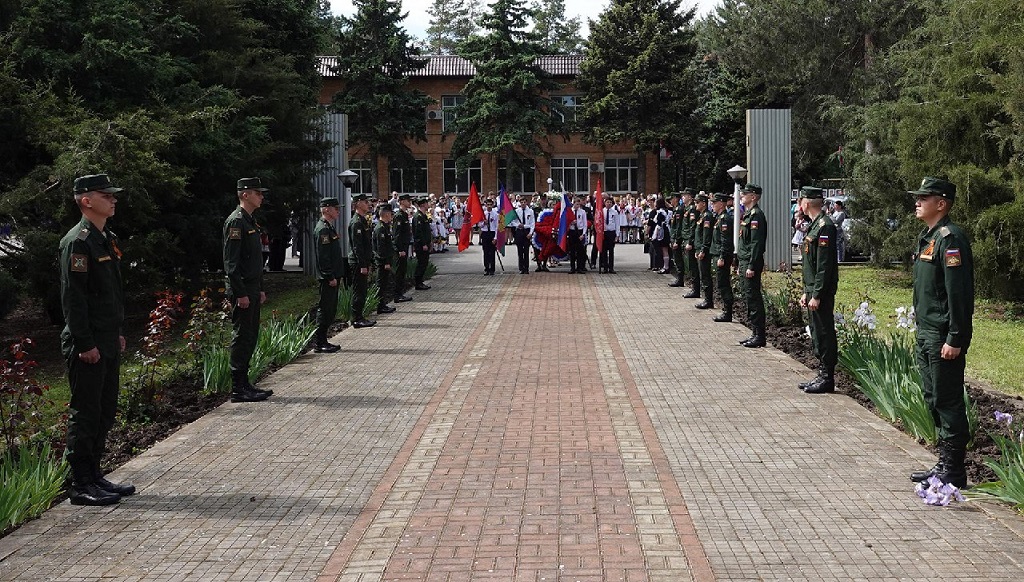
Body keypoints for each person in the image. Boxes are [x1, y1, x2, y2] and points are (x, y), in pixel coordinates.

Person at [59, 173, 134, 506]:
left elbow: (109, 294)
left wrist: (115, 333)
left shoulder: (105, 238)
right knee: (86, 412)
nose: (113, 199)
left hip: (105, 338)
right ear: (86, 201)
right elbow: (73, 299)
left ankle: (94, 474)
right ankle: (79, 483)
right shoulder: (78, 242)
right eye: (106, 195)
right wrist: (85, 343)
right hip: (87, 344)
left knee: (104, 410)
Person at [907, 177, 974, 489]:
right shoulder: (928, 237)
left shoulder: (951, 239)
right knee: (933, 397)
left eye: (924, 197)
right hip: (927, 333)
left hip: (942, 335)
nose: (917, 202)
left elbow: (958, 294)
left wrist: (955, 337)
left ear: (942, 203)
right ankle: (944, 463)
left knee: (947, 400)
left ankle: (954, 471)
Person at [223, 177, 273, 402]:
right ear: (245, 194)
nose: (261, 196)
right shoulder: (236, 222)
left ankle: (245, 384)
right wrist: (240, 293)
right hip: (243, 289)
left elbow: (255, 261)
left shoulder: (250, 221)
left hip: (252, 286)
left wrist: (259, 288)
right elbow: (231, 264)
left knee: (250, 335)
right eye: (257, 192)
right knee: (242, 336)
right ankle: (237, 389)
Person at [796, 187, 839, 394]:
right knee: (816, 331)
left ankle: (827, 377)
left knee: (823, 332)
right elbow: (811, 266)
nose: (799, 205)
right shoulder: (815, 226)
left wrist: (817, 294)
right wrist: (807, 291)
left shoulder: (825, 226)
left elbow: (824, 266)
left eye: (801, 200)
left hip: (820, 292)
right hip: (813, 289)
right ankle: (821, 373)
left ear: (807, 202)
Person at [737, 183, 768, 348]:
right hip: (744, 262)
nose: (742, 196)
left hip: (750, 263)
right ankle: (754, 333)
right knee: (749, 298)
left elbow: (756, 245)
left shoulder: (756, 216)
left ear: (753, 197)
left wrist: (751, 265)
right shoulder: (749, 215)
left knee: (754, 299)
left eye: (745, 194)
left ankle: (759, 336)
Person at [312, 198, 344, 353]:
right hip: (328, 278)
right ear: (325, 209)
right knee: (325, 309)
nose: (338, 210)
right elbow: (323, 257)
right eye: (335, 208)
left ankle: (323, 340)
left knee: (330, 309)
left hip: (333, 275)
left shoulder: (328, 227)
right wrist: (329, 276)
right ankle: (320, 342)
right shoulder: (323, 229)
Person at [348, 193, 376, 328]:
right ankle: (356, 318)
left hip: (363, 261)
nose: (368, 204)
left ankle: (359, 316)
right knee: (359, 290)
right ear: (358, 203)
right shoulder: (356, 222)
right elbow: (357, 246)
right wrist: (362, 264)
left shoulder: (362, 220)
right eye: (365, 202)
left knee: (363, 290)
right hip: (358, 262)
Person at [709, 192, 735, 322]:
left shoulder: (725, 219)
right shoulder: (719, 217)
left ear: (721, 204)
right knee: (721, 283)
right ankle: (726, 310)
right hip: (718, 254)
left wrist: (722, 257)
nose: (712, 205)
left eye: (714, 203)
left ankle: (728, 312)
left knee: (724, 284)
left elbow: (726, 240)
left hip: (722, 256)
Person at [374, 204, 398, 315]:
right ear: (386, 214)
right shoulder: (380, 228)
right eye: (390, 214)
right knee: (381, 284)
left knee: (384, 284)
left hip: (385, 261)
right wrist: (386, 262)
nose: (391, 217)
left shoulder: (384, 227)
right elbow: (381, 248)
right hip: (382, 262)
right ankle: (380, 306)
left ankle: (382, 304)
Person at [693, 193, 716, 309]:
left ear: (703, 203)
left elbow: (706, 236)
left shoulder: (707, 216)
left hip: (704, 251)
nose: (695, 204)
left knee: (705, 275)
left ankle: (708, 300)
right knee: (702, 275)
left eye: (697, 202)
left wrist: (703, 250)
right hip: (699, 249)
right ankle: (706, 298)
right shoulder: (702, 215)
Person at [391, 194, 414, 302]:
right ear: (401, 201)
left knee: (402, 271)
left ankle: (400, 293)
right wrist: (399, 249)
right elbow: (397, 234)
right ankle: (397, 295)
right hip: (401, 249)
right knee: (399, 272)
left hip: (404, 247)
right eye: (408, 200)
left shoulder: (404, 214)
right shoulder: (399, 215)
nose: (410, 202)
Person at [507, 195, 536, 274]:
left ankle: (526, 268)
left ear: (527, 202)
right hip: (519, 232)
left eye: (524, 202)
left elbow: (532, 223)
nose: (523, 204)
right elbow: (512, 222)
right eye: (521, 202)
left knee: (526, 251)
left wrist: (530, 233)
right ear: (519, 203)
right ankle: (521, 268)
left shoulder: (530, 211)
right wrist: (517, 225)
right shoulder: (517, 211)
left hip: (526, 231)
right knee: (520, 251)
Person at [681, 189, 701, 295]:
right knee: (690, 266)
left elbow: (692, 227)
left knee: (693, 267)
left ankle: (695, 290)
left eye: (685, 195)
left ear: (690, 197)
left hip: (691, 242)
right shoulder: (687, 208)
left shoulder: (692, 209)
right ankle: (694, 288)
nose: (683, 197)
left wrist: (689, 241)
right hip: (686, 240)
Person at [412, 197, 432, 290]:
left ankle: (420, 282)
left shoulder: (424, 216)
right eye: (427, 203)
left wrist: (429, 242)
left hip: (426, 244)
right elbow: (418, 232)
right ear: (423, 204)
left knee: (424, 263)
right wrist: (423, 244)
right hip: (421, 245)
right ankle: (418, 283)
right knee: (421, 263)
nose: (428, 205)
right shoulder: (418, 216)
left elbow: (427, 231)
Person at [668, 192, 686, 287]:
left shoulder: (679, 209)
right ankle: (679, 279)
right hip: (674, 237)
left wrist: (676, 240)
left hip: (676, 238)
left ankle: (680, 279)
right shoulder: (675, 209)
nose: (670, 201)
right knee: (676, 259)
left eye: (672, 198)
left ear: (676, 198)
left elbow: (678, 226)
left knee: (678, 260)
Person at [598, 196, 620, 273]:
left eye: (610, 202)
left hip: (611, 232)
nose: (609, 203)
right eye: (607, 202)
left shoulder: (615, 212)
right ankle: (605, 267)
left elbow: (617, 224)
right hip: (604, 233)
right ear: (605, 203)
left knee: (611, 251)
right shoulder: (602, 211)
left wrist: (617, 235)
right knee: (604, 251)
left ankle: (611, 268)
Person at [478, 198, 499, 275]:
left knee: (492, 252)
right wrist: (484, 222)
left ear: (493, 205)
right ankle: (486, 268)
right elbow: (479, 225)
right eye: (488, 205)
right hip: (485, 233)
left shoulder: (496, 214)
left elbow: (497, 226)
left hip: (492, 233)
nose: (489, 206)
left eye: (491, 205)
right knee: (486, 252)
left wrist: (495, 238)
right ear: (485, 205)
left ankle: (492, 269)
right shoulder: (483, 214)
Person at [568, 195, 588, 273]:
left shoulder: (582, 212)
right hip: (572, 232)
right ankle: (572, 268)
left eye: (578, 204)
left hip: (579, 231)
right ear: (573, 203)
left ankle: (579, 267)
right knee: (572, 251)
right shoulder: (570, 211)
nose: (577, 206)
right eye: (576, 204)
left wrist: (583, 234)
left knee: (580, 251)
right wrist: (571, 223)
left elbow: (585, 223)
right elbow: (566, 222)